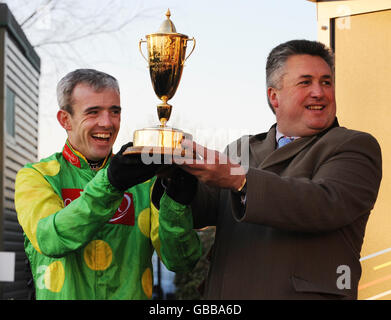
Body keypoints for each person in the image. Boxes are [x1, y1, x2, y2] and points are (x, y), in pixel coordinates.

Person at [171, 40, 382, 299]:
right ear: (274, 96)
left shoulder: (354, 145)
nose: (319, 92)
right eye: (306, 82)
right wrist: (176, 179)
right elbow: (204, 211)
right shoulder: (242, 148)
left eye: (326, 82)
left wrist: (238, 179)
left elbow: (323, 203)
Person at [14, 69, 201, 300]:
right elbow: (52, 239)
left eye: (115, 112)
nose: (107, 123)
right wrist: (111, 184)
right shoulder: (36, 176)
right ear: (65, 120)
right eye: (93, 112)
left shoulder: (145, 182)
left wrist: (177, 204)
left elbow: (181, 262)